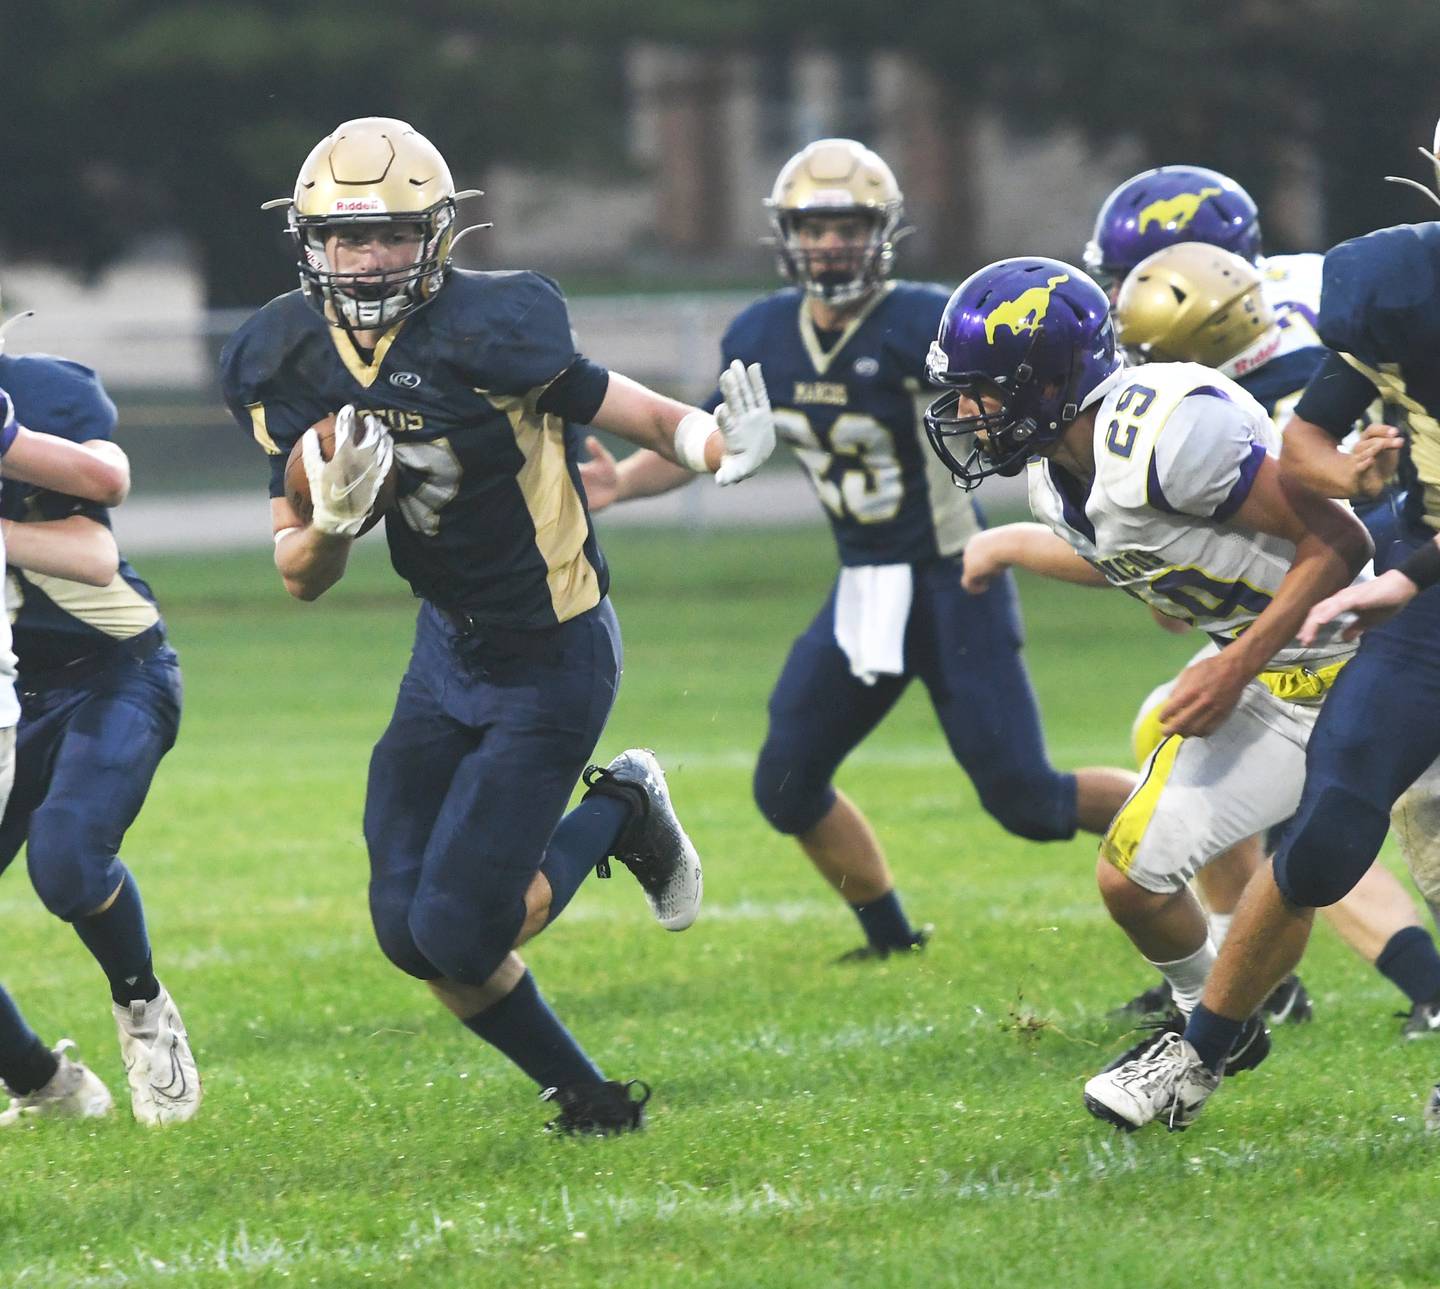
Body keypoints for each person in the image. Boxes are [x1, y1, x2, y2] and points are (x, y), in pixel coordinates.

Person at [220, 117, 778, 1136]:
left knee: (458, 928)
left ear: (435, 236)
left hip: (551, 650)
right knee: (405, 930)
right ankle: (595, 1103)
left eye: (389, 234)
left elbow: (635, 408)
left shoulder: (496, 331)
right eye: (345, 238)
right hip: (445, 650)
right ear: (309, 244)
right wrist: (337, 524)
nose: (367, 258)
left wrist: (711, 442)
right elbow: (299, 574)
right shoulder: (288, 353)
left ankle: (622, 806)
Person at [580, 139, 1135, 962]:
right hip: (864, 586)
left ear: (883, 233)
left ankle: (1186, 820)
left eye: (849, 225)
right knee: (786, 782)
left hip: (956, 580)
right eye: (814, 225)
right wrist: (624, 483)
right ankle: (891, 939)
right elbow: (710, 437)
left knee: (1027, 800)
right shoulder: (764, 331)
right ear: (787, 236)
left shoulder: (924, 322)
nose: (831, 243)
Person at [922, 257, 1374, 1107]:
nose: (968, 413)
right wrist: (1027, 550)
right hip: (1274, 677)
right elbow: (1134, 546)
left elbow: (1340, 544)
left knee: (1352, 861)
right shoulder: (1055, 479)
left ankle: (1208, 1040)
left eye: (982, 390)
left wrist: (1232, 664)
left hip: (1371, 657)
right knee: (1131, 877)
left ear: (1051, 380)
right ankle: (1214, 1027)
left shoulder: (1169, 431)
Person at [1078, 140, 1440, 1132]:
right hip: (1430, 584)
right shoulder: (1394, 287)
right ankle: (1198, 1056)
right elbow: (1307, 436)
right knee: (1331, 816)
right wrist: (1354, 488)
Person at [0, 376, 187, 1126]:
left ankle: (143, 1009)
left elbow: (96, 551)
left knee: (70, 863)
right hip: (16, 695)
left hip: (108, 670)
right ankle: (46, 1085)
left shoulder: (36, 392)